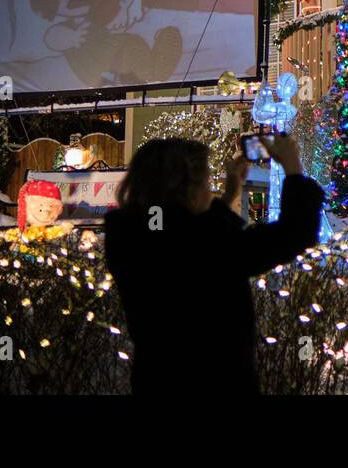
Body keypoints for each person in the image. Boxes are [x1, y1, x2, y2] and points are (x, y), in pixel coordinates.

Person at [105, 133, 324, 395]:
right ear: (186, 187)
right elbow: (294, 234)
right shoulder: (204, 245)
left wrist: (229, 195)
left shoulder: (130, 236)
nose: (210, 187)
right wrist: (293, 169)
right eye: (207, 180)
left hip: (157, 379)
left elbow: (175, 234)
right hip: (216, 381)